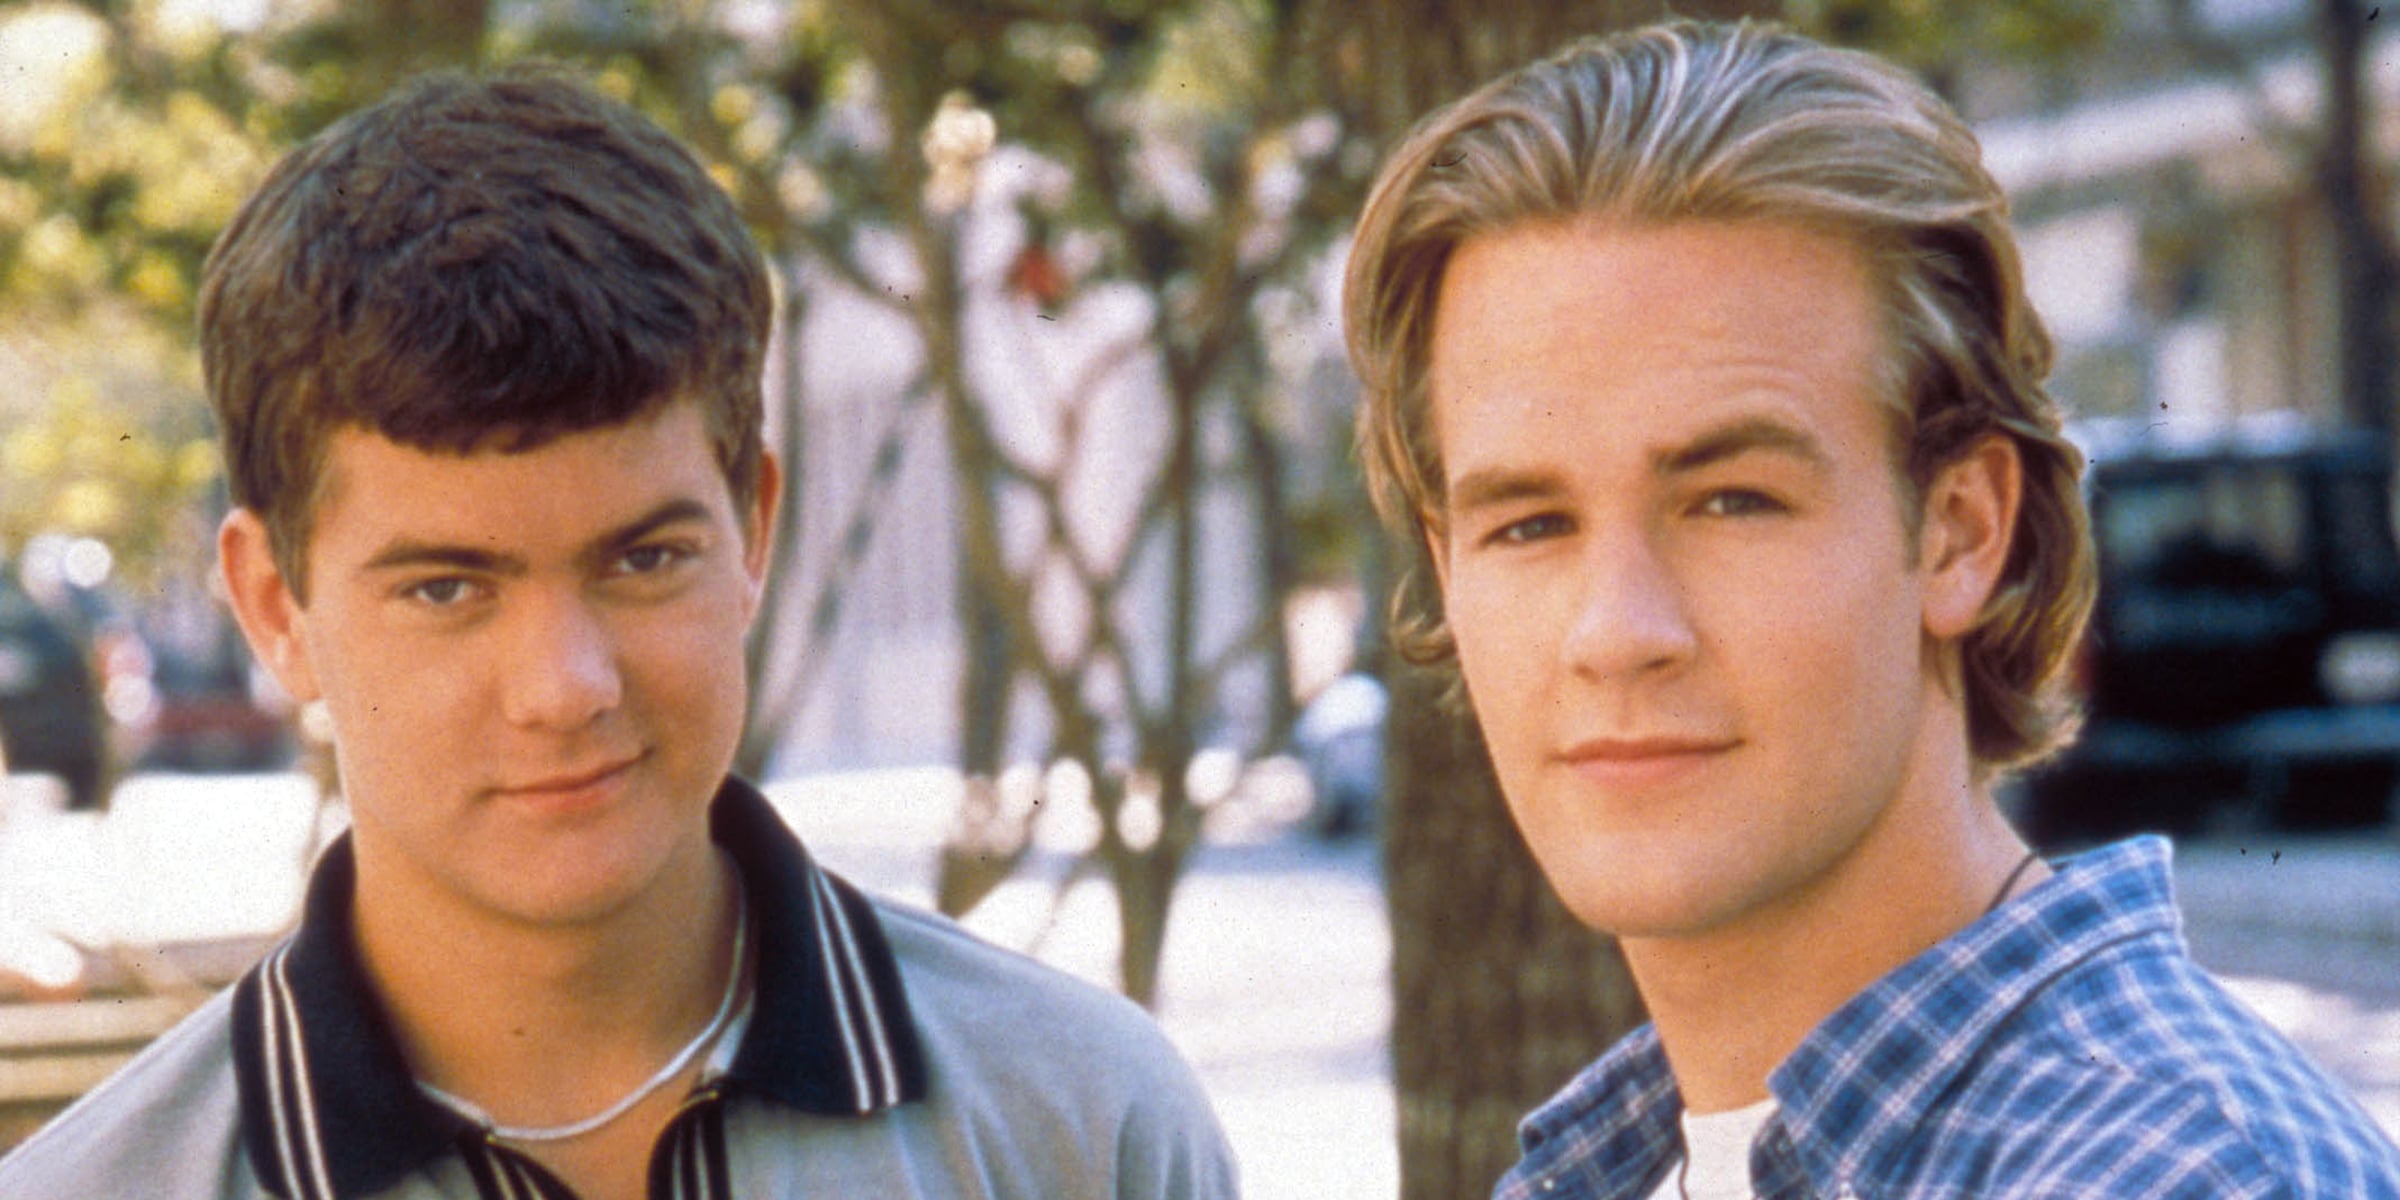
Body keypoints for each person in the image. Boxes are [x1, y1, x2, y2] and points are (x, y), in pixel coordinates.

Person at [0, 66, 1236, 1200]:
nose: (565, 686)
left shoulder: (1084, 1129)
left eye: (644, 560)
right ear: (277, 606)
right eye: (446, 588)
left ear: (752, 532)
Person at [1344, 20, 2400, 1200]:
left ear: (1961, 531)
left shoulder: (2172, 1178)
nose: (1617, 632)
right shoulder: (1610, 1173)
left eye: (1732, 500)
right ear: (1444, 564)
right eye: (1529, 525)